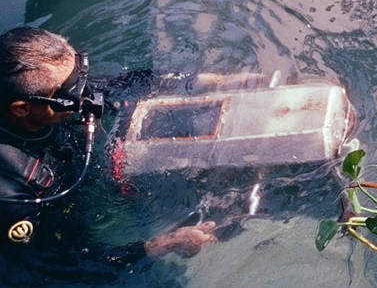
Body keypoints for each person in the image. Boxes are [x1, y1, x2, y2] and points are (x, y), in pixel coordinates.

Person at [0, 27, 216, 283]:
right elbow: (49, 263)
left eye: (81, 77)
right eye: (73, 94)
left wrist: (200, 81)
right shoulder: (10, 192)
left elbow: (121, 85)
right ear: (22, 109)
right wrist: (155, 247)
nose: (87, 97)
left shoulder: (50, 94)